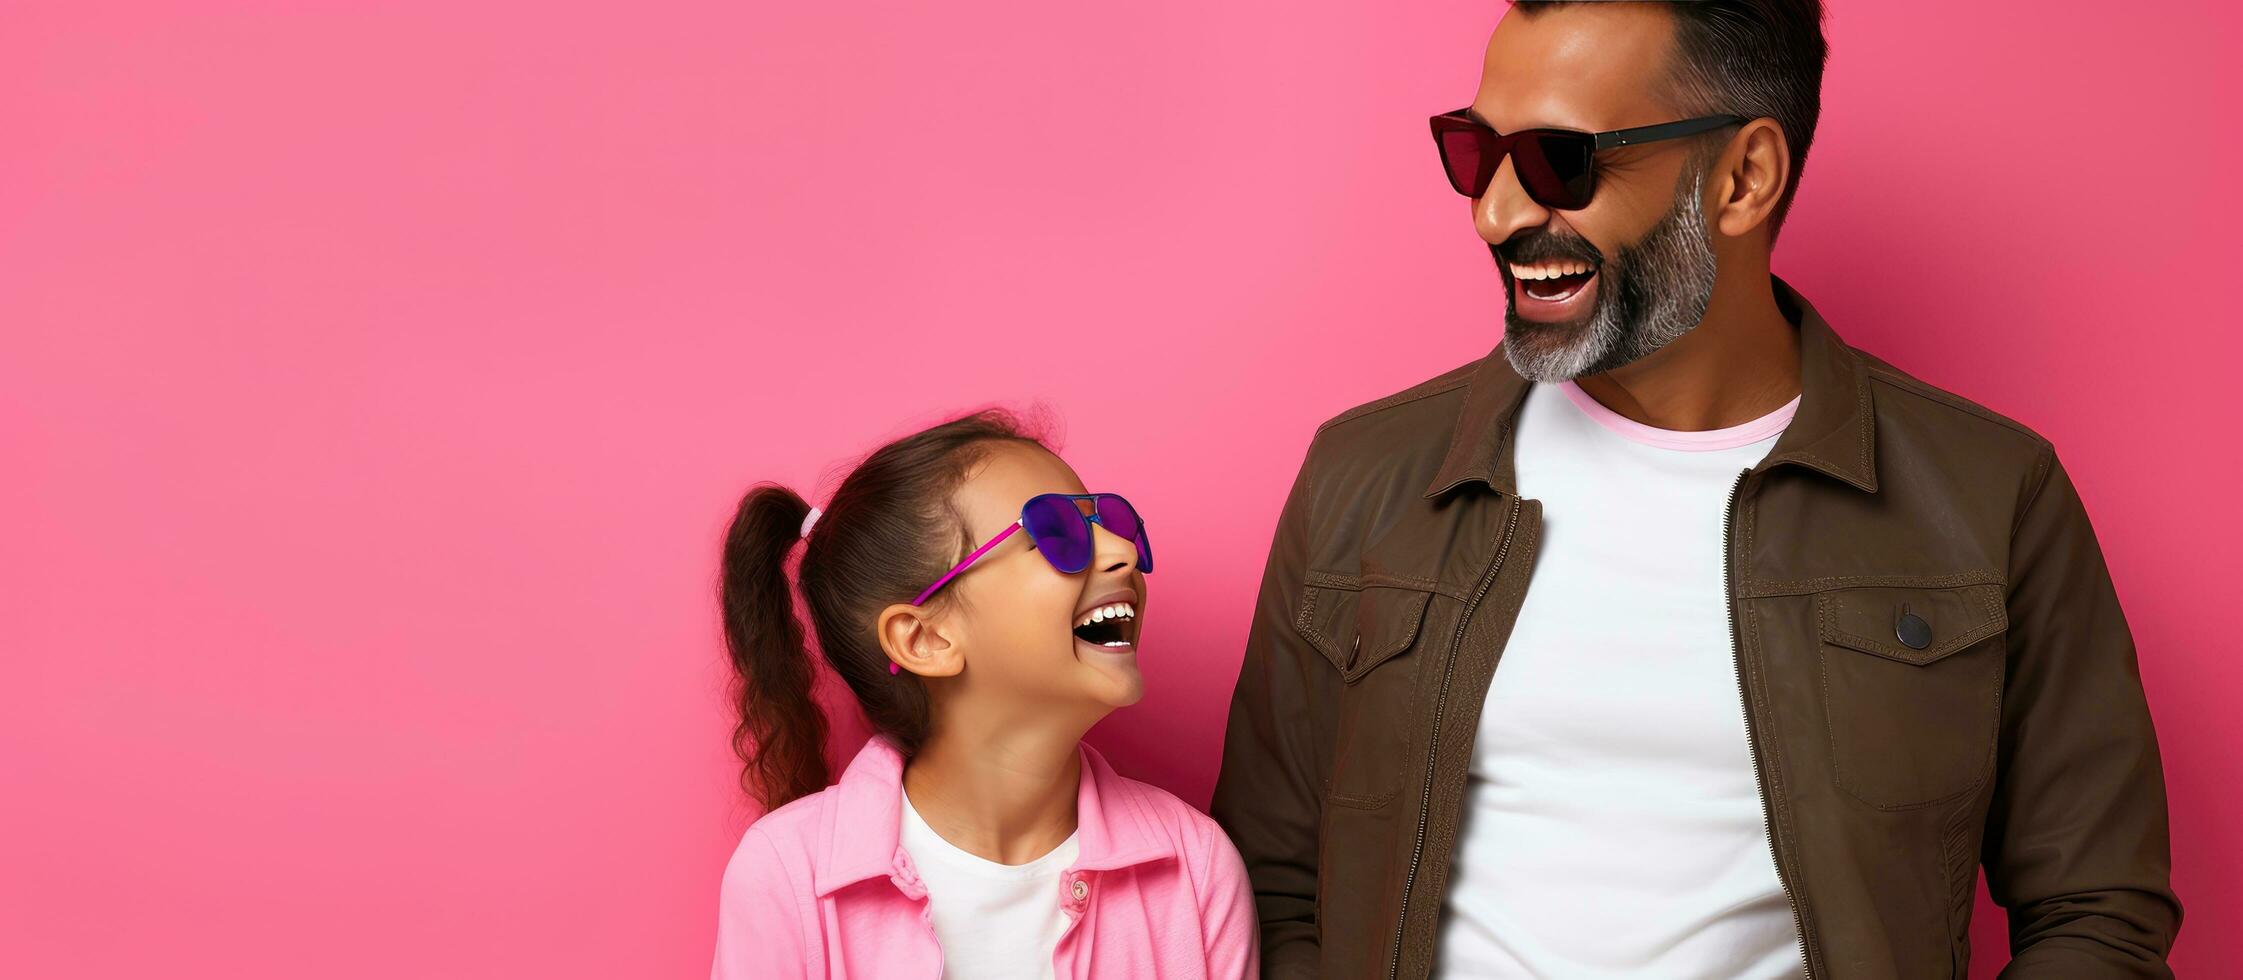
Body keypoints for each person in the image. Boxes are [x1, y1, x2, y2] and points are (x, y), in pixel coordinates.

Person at [1209, 2, 2180, 977]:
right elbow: (1271, 881)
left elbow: (2096, 909)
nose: (1494, 212)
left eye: (1558, 159)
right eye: (1475, 152)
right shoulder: (1365, 476)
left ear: (1743, 176)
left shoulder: (1987, 492)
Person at [710, 410, 1258, 979]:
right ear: (924, 638)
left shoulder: (1196, 867)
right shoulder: (785, 876)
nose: (1119, 550)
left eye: (1108, 522)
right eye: (1055, 535)